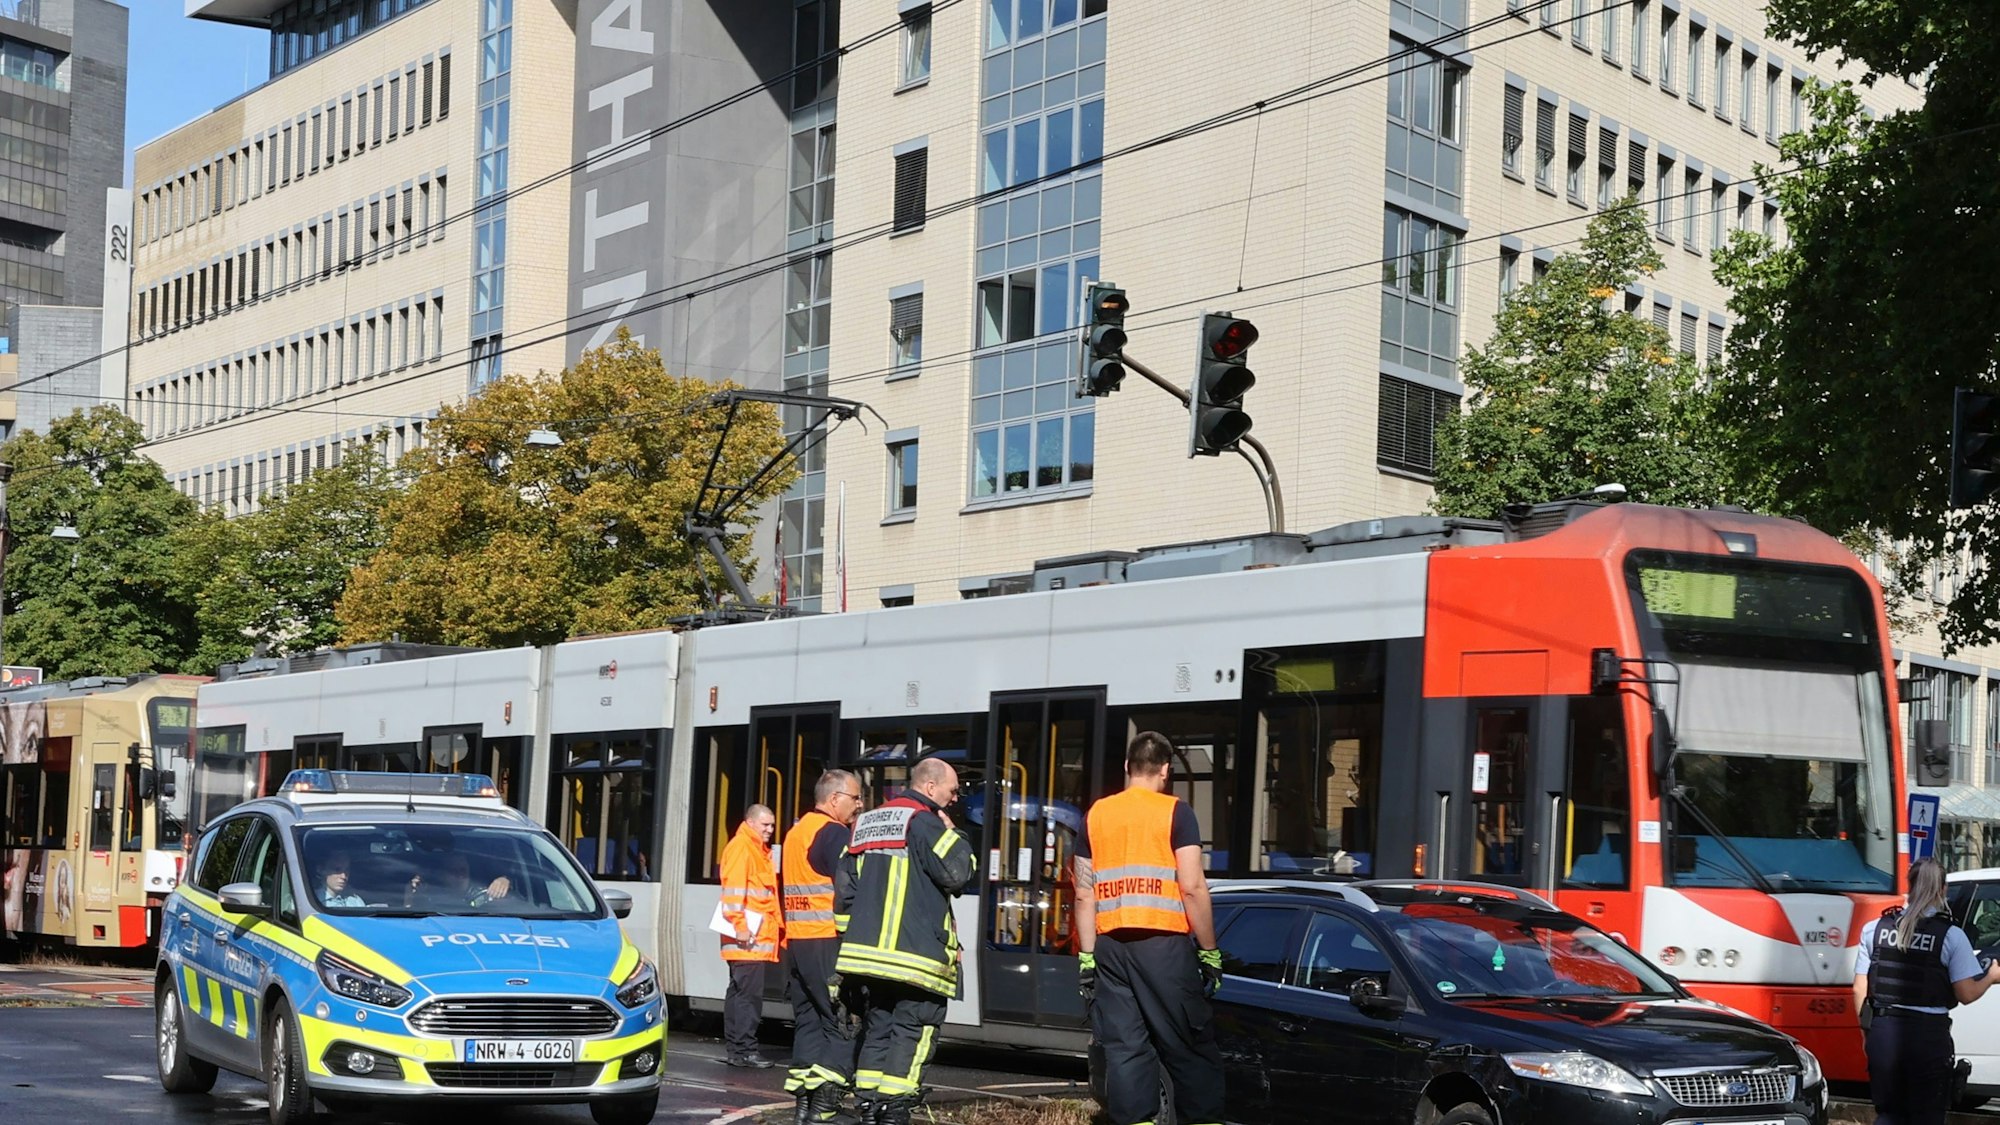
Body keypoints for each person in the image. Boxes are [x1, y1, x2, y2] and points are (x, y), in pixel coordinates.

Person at [1072, 731, 1225, 1125]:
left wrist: (1087, 957)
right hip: (1164, 946)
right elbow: (1191, 886)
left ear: (1127, 768)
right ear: (1166, 770)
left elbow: (1084, 895)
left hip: (1110, 948)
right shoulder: (1176, 812)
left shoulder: (1096, 815)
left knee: (1126, 1050)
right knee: (1189, 1046)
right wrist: (1209, 950)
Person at [834, 757, 975, 1125]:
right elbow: (959, 873)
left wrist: (848, 946)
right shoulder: (926, 824)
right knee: (915, 1029)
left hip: (866, 958)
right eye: (952, 789)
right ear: (930, 787)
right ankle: (895, 1110)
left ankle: (867, 1106)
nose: (955, 798)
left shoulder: (865, 824)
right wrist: (955, 834)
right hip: (915, 958)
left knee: (878, 1026)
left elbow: (845, 893)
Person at [1855, 857, 2000, 1125]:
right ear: (1942, 889)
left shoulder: (1874, 930)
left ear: (1909, 886)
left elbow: (1860, 987)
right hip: (1927, 1036)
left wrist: (1868, 1032)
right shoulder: (1951, 936)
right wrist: (1991, 977)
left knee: (1888, 1114)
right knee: (1926, 1116)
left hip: (1884, 1031)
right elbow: (1966, 993)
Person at [784, 771, 866, 1125]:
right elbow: (848, 891)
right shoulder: (834, 833)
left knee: (809, 1022)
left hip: (799, 944)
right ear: (835, 799)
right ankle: (823, 1109)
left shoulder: (796, 832)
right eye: (856, 798)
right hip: (827, 941)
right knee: (842, 1022)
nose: (859, 805)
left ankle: (804, 1105)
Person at [721, 803, 782, 1068]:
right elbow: (733, 892)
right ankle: (745, 1050)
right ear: (750, 821)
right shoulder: (743, 848)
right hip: (747, 937)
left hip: (747, 936)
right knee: (748, 996)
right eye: (765, 824)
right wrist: (740, 926)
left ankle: (737, 1050)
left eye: (772, 825)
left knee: (739, 993)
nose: (770, 830)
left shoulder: (754, 849)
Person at [405, 853, 511, 909]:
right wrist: (411, 897)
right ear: (442, 875)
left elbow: (512, 909)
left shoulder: (485, 896)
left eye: (463, 870)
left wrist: (505, 882)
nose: (460, 875)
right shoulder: (429, 898)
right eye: (453, 871)